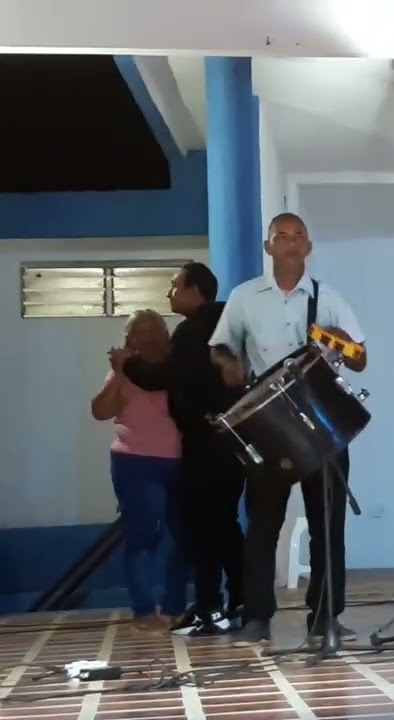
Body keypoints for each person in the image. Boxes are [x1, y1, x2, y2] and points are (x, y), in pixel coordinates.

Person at [208, 212, 367, 646]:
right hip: (268, 424)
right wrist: (228, 365)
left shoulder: (328, 297)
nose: (291, 243)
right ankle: (257, 616)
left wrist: (339, 339)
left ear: (308, 246)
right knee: (263, 523)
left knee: (327, 524)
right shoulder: (244, 297)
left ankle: (325, 617)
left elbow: (359, 358)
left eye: (298, 236)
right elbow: (219, 348)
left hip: (322, 421)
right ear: (269, 247)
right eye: (282, 236)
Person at [121, 262, 244, 636]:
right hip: (234, 437)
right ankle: (240, 598)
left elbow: (163, 376)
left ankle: (210, 604)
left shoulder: (194, 329)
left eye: (174, 286)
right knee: (224, 524)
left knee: (203, 527)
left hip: (206, 442)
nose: (169, 294)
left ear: (195, 291)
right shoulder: (228, 320)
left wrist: (127, 366)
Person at [90, 309, 186, 631]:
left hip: (182, 462)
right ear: (129, 340)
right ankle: (144, 611)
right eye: (141, 332)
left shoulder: (178, 368)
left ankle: (174, 608)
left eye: (156, 330)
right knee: (143, 537)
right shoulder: (125, 372)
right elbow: (100, 411)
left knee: (181, 539)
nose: (150, 337)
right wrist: (118, 372)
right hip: (135, 462)